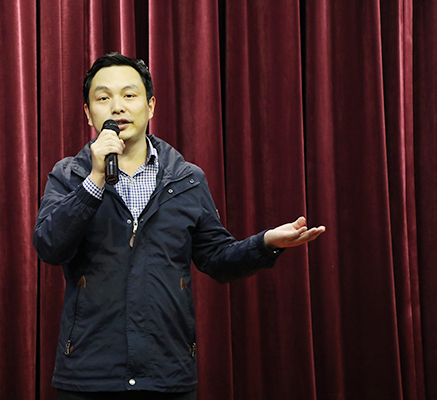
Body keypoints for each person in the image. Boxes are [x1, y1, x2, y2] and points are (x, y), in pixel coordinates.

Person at [33, 53, 325, 400]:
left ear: (150, 106)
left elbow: (217, 259)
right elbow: (49, 246)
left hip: (167, 374)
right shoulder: (70, 175)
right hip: (89, 375)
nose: (117, 107)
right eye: (103, 97)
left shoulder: (186, 179)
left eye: (129, 95)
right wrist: (95, 180)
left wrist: (265, 243)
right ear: (88, 113)